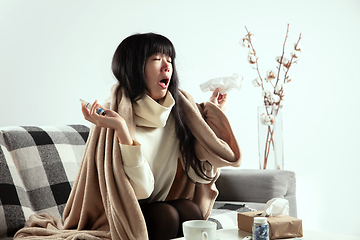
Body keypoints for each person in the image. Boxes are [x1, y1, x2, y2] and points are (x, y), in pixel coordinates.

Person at [14, 33, 241, 240]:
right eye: (156, 59)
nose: (166, 66)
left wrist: (211, 116)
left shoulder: (181, 112)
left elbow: (199, 175)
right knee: (167, 215)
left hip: (159, 205)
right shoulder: (114, 114)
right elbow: (141, 191)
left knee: (191, 211)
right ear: (135, 67)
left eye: (169, 59)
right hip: (121, 213)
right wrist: (122, 131)